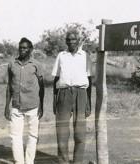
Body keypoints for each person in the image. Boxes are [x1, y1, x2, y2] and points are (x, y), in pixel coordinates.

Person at [52, 30, 92, 164]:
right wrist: (54, 99)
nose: (71, 42)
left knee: (80, 133)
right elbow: (56, 78)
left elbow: (89, 80)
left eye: (74, 39)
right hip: (64, 94)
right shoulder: (61, 56)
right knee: (62, 132)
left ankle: (77, 162)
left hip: (81, 93)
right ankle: (63, 161)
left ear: (78, 40)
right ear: (66, 41)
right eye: (69, 40)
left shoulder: (85, 56)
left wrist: (88, 102)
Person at [4, 37, 44, 164]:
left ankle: (29, 161)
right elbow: (9, 85)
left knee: (33, 136)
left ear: (31, 50)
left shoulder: (36, 65)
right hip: (16, 106)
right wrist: (6, 106)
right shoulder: (12, 64)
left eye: (25, 48)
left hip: (33, 106)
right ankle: (19, 161)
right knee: (15, 136)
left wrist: (41, 105)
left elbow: (42, 86)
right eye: (21, 47)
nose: (22, 50)